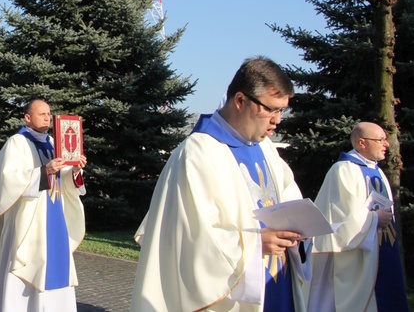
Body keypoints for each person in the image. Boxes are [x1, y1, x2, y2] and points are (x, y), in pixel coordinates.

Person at [130, 56, 309, 311]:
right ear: (240, 100)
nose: (277, 120)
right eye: (270, 109)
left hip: (277, 284)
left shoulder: (266, 148)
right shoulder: (198, 153)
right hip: (233, 296)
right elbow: (189, 240)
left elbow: (289, 199)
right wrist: (256, 243)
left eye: (282, 110)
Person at [0, 99, 87, 311]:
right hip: (27, 219)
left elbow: (64, 181)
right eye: (42, 114)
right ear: (27, 118)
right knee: (24, 269)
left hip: (55, 214)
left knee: (56, 269)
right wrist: (44, 171)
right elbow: (8, 180)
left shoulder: (53, 142)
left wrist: (74, 171)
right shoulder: (17, 143)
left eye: (49, 114)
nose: (48, 118)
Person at [305, 122, 409, 311]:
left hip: (383, 247)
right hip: (358, 258)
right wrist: (375, 218)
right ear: (362, 143)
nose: (386, 144)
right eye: (380, 140)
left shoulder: (377, 170)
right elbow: (343, 217)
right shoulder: (344, 170)